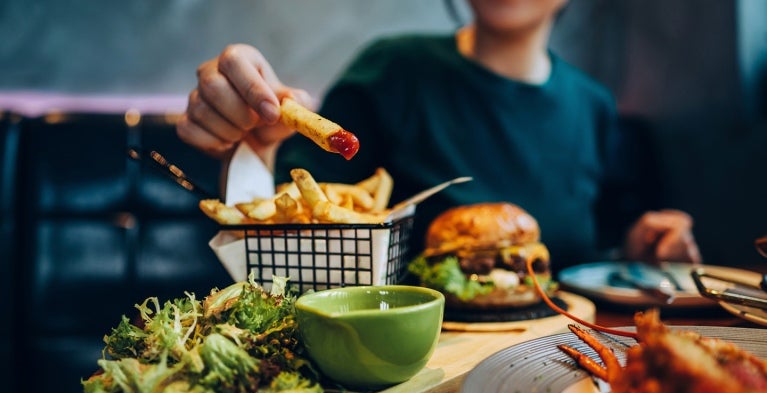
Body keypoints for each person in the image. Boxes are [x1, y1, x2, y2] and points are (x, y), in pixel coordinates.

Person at [176, 0, 701, 273]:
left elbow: (601, 247)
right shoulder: (392, 71)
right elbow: (287, 224)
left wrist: (641, 247)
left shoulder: (594, 106)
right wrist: (258, 145)